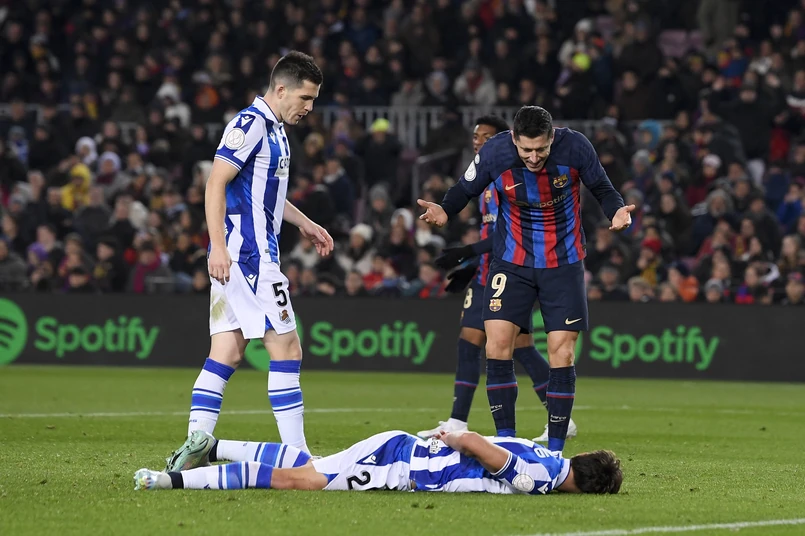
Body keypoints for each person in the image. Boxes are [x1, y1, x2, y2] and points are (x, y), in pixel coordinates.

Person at [418, 106, 633, 453]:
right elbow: (464, 189)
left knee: (562, 352)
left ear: (552, 137)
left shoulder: (576, 147)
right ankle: (507, 443)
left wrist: (617, 210)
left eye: (541, 149)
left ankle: (555, 451)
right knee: (497, 346)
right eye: (526, 149)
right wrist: (445, 208)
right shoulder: (496, 151)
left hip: (563, 264)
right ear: (514, 139)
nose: (533, 157)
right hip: (512, 262)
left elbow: (603, 188)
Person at [166, 51, 334, 470]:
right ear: (282, 89)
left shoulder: (276, 130)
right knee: (288, 348)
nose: (309, 108)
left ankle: (194, 446)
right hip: (250, 257)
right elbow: (215, 183)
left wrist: (305, 223)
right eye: (306, 98)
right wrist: (218, 246)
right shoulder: (250, 125)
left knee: (226, 352)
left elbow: (265, 195)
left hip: (243, 256)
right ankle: (300, 459)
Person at [417, 116, 576, 443]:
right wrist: (473, 264)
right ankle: (459, 420)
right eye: (476, 136)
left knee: (513, 346)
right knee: (477, 343)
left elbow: (511, 233)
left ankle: (558, 416)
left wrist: (468, 252)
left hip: (513, 272)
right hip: (488, 272)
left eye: (487, 137)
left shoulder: (510, 177)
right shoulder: (484, 183)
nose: (479, 142)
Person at [135, 429, 622, 495]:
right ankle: (170, 480)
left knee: (312, 464)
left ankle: (214, 445)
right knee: (298, 481)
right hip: (396, 463)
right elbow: (478, 443)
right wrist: (454, 437)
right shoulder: (540, 477)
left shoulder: (551, 456)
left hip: (401, 453)